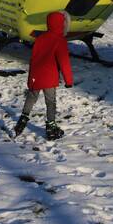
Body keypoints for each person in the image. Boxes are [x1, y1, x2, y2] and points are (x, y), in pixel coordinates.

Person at [11, 11, 73, 140]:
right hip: (49, 77)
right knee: (50, 102)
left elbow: (33, 58)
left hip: (36, 74)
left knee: (31, 97)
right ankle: (51, 128)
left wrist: (31, 78)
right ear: (61, 24)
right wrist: (68, 80)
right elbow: (64, 62)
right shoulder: (60, 40)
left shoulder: (40, 38)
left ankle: (21, 122)